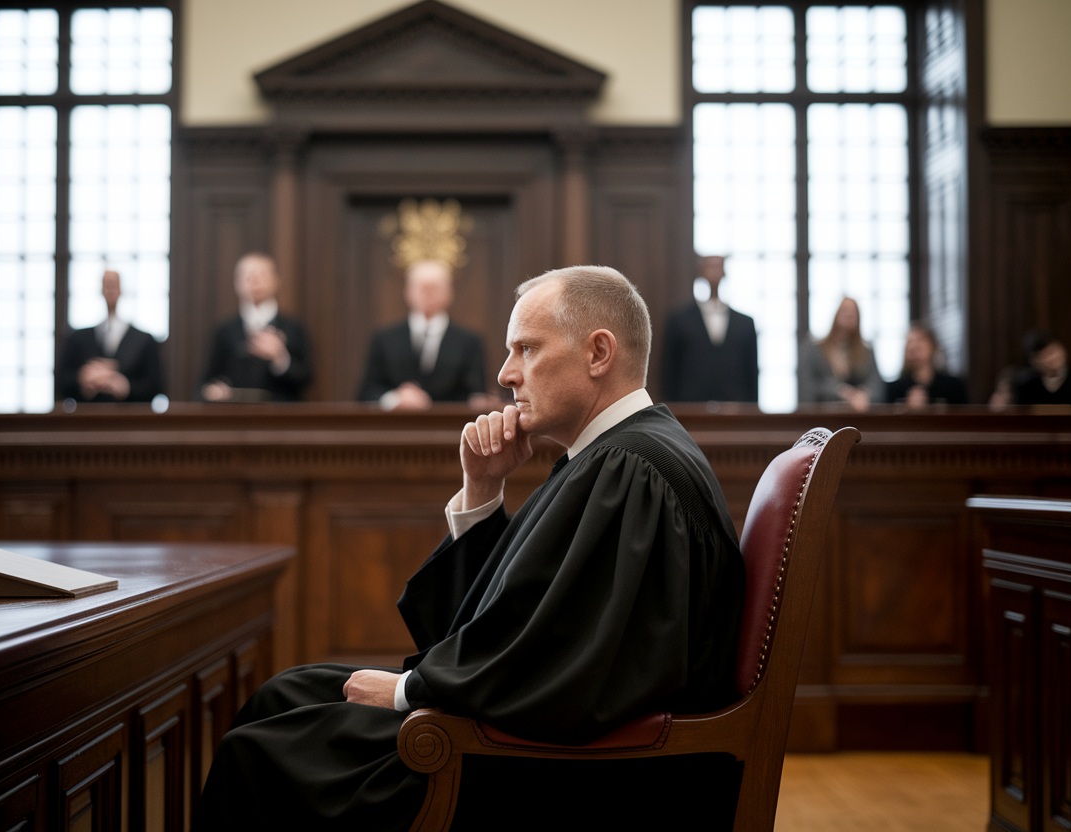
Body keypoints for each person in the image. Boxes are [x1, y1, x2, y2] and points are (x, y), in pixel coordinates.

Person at [196, 266, 747, 831]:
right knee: (284, 695)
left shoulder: (631, 469)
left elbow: (572, 667)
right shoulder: (614, 456)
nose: (506, 374)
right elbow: (522, 617)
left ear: (598, 353)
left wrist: (408, 691)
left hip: (579, 775)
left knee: (256, 755)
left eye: (527, 349)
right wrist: (482, 491)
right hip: (546, 738)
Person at [358, 259, 486, 410]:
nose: (427, 293)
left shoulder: (469, 341)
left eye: (434, 287)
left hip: (449, 422)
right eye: (421, 287)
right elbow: (367, 392)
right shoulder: (384, 338)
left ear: (449, 293)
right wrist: (394, 398)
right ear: (407, 292)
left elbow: (476, 394)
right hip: (397, 421)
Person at [199, 253, 312, 402]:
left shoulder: (293, 328)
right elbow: (206, 381)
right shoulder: (225, 330)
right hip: (236, 413)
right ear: (237, 283)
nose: (254, 281)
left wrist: (280, 358)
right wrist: (214, 391)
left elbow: (307, 379)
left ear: (276, 280)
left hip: (281, 412)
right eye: (247, 276)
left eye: (261, 275)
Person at [661, 255, 758, 403]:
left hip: (735, 406)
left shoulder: (745, 323)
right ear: (700, 271)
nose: (713, 271)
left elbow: (752, 371)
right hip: (691, 406)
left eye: (717, 266)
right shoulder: (680, 320)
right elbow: (669, 370)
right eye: (709, 266)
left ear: (724, 272)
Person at [56, 270, 163, 403]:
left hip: (129, 414)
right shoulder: (77, 339)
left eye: (114, 285)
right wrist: (83, 377)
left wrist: (125, 386)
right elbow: (62, 383)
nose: (110, 290)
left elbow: (156, 386)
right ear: (101, 289)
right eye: (106, 285)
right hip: (88, 413)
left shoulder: (144, 340)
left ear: (121, 289)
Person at [798, 297, 883, 410]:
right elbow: (808, 387)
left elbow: (876, 386)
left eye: (853, 313)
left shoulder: (866, 353)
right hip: (825, 413)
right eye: (845, 311)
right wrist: (842, 392)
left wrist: (863, 395)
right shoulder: (815, 350)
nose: (849, 315)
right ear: (837, 314)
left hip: (859, 413)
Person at [885, 323, 967, 407]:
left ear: (932, 345)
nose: (913, 346)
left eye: (919, 340)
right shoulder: (893, 389)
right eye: (909, 342)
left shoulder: (953, 386)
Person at [1013, 330, 1071, 406]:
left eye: (1052, 351)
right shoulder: (1028, 385)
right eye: (1043, 356)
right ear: (1033, 361)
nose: (1050, 358)